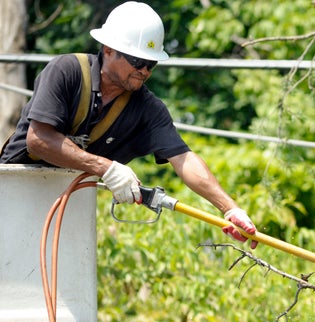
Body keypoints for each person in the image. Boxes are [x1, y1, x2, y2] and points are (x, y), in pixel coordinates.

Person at [0, 1, 257, 248]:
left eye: (151, 64)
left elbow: (184, 159)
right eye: (137, 61)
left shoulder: (147, 108)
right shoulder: (67, 71)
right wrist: (107, 168)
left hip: (68, 208)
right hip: (13, 191)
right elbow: (39, 140)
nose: (145, 70)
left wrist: (230, 208)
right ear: (108, 49)